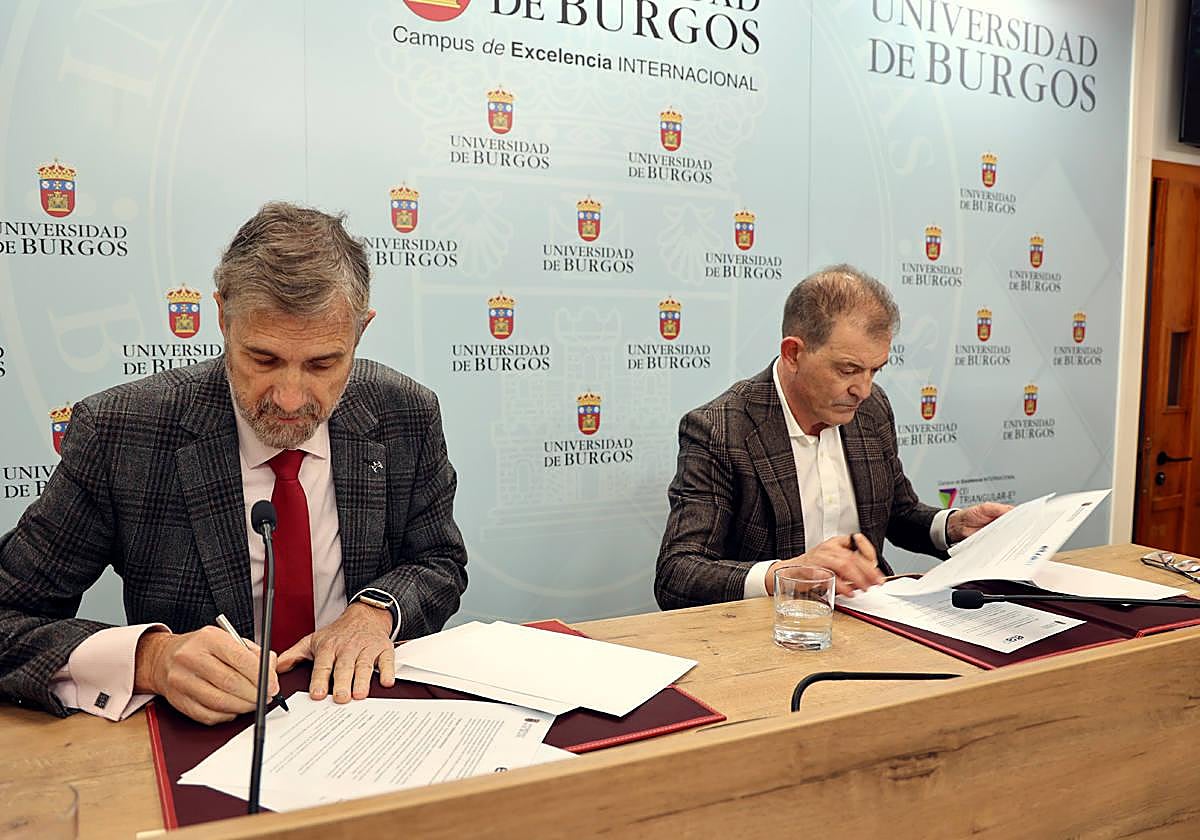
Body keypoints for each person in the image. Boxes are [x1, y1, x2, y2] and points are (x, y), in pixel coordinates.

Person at [0, 203, 467, 724]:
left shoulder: (404, 412)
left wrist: (375, 612)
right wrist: (152, 658)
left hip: (359, 721)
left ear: (360, 331)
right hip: (197, 736)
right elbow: (8, 613)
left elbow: (439, 562)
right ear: (223, 317)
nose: (291, 399)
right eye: (263, 359)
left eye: (322, 364)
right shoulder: (121, 432)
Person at [655, 264, 1009, 610]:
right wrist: (784, 574)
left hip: (873, 616)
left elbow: (898, 513)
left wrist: (952, 526)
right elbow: (678, 572)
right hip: (773, 629)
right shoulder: (720, 428)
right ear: (794, 353)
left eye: (875, 370)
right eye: (849, 370)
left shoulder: (872, 410)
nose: (864, 390)